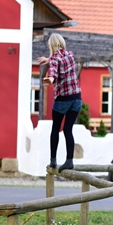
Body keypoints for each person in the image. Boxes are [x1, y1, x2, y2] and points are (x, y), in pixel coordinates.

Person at [38, 33, 82, 172]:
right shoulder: (70, 55)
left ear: (51, 45)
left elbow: (53, 74)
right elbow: (59, 59)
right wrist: (49, 59)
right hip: (77, 98)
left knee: (55, 129)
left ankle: (53, 160)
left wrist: (49, 80)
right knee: (68, 129)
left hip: (63, 99)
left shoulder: (55, 59)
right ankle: (69, 160)